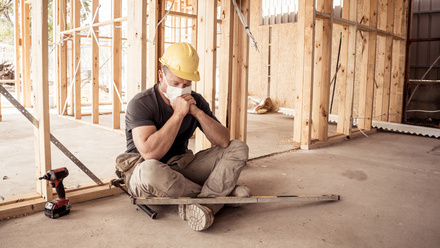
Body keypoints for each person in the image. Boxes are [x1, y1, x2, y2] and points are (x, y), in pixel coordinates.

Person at [115, 42, 250, 231]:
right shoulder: (141, 103)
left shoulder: (196, 101)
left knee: (238, 147)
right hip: (145, 173)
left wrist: (197, 112)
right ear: (161, 76)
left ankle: (207, 203)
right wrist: (178, 114)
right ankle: (222, 195)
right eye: (175, 83)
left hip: (181, 166)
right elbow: (149, 153)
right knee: (151, 170)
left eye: (186, 85)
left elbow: (223, 141)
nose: (181, 88)